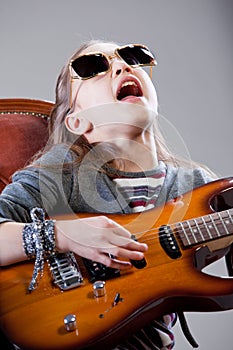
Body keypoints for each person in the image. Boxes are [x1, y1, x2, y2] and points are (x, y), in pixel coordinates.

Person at [0, 40, 216, 349]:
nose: (123, 66)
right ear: (77, 121)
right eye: (94, 67)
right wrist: (61, 235)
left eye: (132, 57)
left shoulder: (199, 185)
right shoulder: (58, 174)